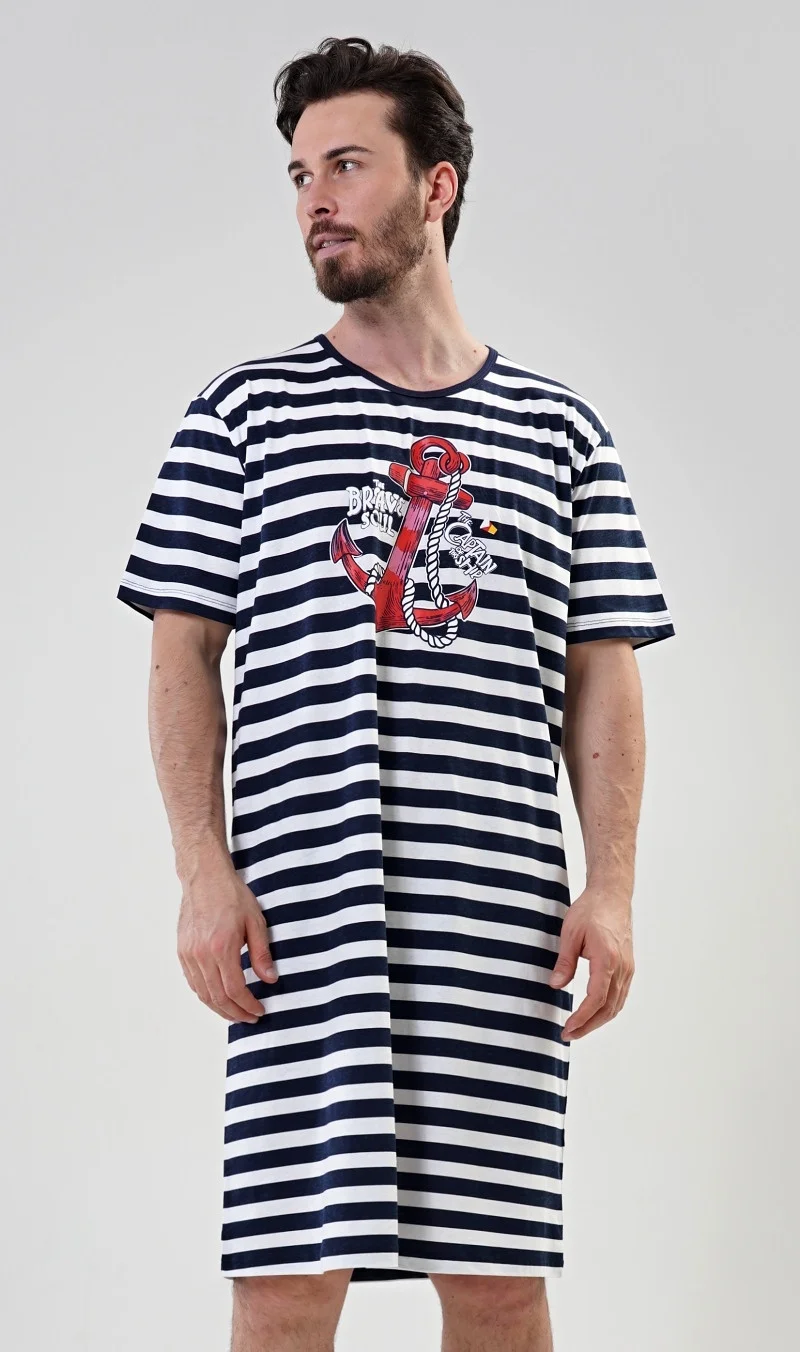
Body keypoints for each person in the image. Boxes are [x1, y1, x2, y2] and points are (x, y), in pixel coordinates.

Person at [116, 34, 675, 1352]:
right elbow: (182, 655)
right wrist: (202, 871)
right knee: (285, 1278)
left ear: (436, 186)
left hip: (498, 921)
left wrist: (610, 888)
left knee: (496, 1279)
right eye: (299, 173)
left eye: (347, 165)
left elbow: (604, 670)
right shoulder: (242, 415)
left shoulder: (560, 432)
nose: (314, 198)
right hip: (301, 922)